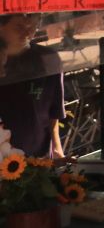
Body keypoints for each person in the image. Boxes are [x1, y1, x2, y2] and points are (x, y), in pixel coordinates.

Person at [0, 13, 65, 159]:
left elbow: (54, 111)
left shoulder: (48, 59)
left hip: (38, 156)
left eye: (31, 26)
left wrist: (57, 148)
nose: (27, 32)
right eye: (19, 27)